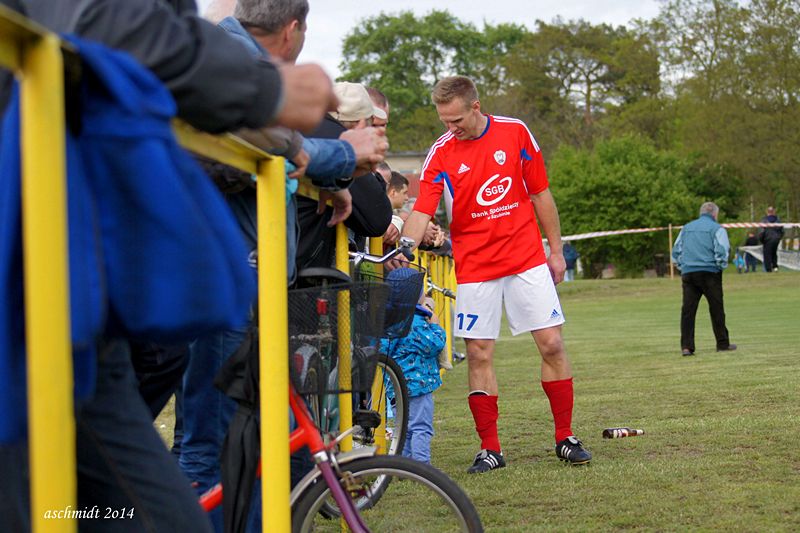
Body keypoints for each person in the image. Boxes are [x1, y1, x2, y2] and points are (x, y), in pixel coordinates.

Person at [398, 75, 591, 472]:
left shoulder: (515, 132)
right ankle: (490, 448)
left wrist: (555, 252)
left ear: (475, 106)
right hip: (475, 270)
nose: (449, 129)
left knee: (552, 344)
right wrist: (404, 246)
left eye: (455, 120)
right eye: (443, 121)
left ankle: (565, 437)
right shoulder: (440, 153)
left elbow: (541, 194)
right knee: (478, 353)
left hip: (526, 260)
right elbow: (422, 212)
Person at [381, 270, 446, 464]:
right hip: (418, 385)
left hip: (395, 386)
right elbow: (435, 344)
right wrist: (435, 324)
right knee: (420, 427)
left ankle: (404, 464)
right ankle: (421, 465)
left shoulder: (388, 320)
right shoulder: (417, 322)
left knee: (404, 427)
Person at [671, 202, 737, 356]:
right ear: (715, 214)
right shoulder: (717, 229)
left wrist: (683, 266)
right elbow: (722, 249)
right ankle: (722, 343)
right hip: (709, 272)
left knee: (688, 310)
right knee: (716, 309)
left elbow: (676, 250)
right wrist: (720, 266)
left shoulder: (686, 228)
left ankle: (686, 347)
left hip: (689, 273)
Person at [759, 206, 784, 272]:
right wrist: (779, 238)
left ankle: (768, 269)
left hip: (767, 239)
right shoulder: (778, 220)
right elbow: (782, 231)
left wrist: (761, 240)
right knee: (774, 253)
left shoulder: (764, 220)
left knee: (767, 254)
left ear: (767, 212)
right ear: (774, 212)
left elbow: (761, 232)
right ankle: (775, 267)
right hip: (776, 239)